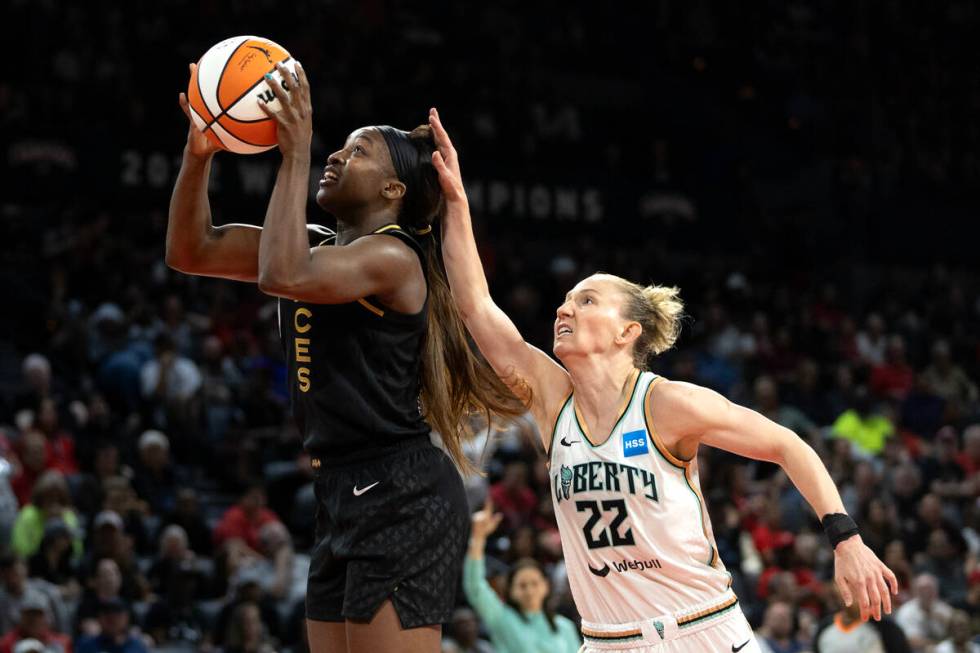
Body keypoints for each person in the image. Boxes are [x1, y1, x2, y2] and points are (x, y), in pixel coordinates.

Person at [430, 107, 899, 652]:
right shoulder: (551, 399)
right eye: (563, 300)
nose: (564, 309)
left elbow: (787, 444)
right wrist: (457, 204)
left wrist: (847, 539)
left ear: (628, 330)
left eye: (585, 300)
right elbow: (475, 308)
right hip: (608, 640)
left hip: (701, 630)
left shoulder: (666, 404)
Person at [167, 62, 521, 653]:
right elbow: (189, 249)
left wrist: (294, 153)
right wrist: (200, 152)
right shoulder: (315, 243)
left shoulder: (396, 259)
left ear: (393, 191)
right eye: (336, 148)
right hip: (337, 489)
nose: (335, 155)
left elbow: (283, 273)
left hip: (401, 492)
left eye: (356, 152)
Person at [463, 498, 581, 653]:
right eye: (522, 585)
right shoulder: (501, 618)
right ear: (510, 590)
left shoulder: (565, 627)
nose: (529, 590)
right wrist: (477, 538)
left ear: (546, 586)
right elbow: (475, 587)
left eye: (534, 583)